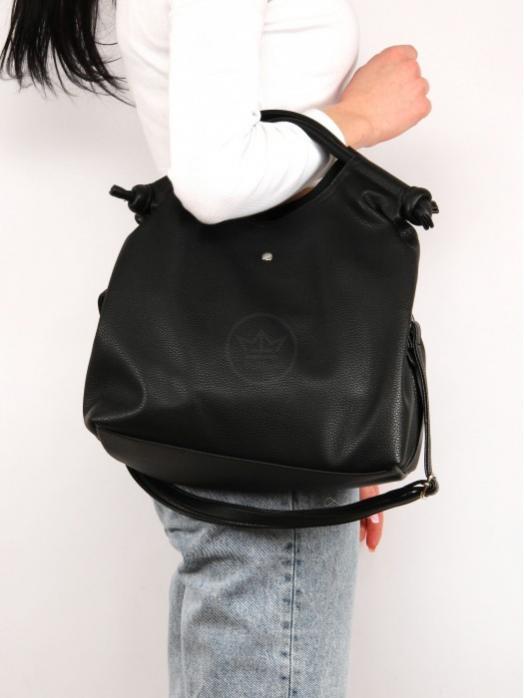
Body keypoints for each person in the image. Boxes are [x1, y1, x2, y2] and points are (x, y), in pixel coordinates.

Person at [0, 1, 431, 695]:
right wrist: (360, 115)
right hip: (262, 398)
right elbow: (213, 181)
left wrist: (344, 408)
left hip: (268, 384)